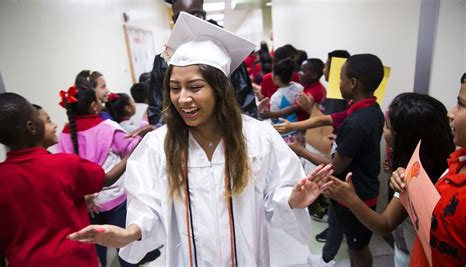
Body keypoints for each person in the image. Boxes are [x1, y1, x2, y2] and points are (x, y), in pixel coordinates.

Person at [68, 12, 334, 266]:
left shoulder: (258, 137)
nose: (183, 99)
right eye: (174, 88)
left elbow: (275, 193)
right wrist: (130, 233)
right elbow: (149, 208)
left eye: (195, 87)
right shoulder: (158, 146)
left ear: (220, 89)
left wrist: (293, 199)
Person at [0, 93, 127, 267]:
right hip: (74, 260)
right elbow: (106, 179)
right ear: (32, 127)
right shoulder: (65, 164)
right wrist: (130, 156)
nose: (54, 124)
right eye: (45, 120)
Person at [323, 93, 455, 267]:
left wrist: (350, 198)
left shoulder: (413, 176)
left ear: (402, 137)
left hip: (413, 257)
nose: (382, 130)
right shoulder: (440, 161)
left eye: (386, 126)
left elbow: (385, 224)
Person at [290, 54, 385, 266]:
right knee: (351, 240)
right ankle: (327, 257)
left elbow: (334, 166)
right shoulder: (372, 110)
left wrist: (299, 150)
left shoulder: (357, 122)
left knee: (357, 248)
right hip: (357, 191)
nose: (338, 83)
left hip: (357, 195)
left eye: (340, 78)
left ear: (353, 83)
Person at [56, 83, 145, 267]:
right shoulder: (107, 127)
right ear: (94, 106)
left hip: (87, 204)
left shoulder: (64, 134)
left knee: (97, 250)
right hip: (115, 200)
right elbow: (130, 147)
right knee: (125, 247)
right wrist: (143, 133)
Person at [390, 73, 466, 267]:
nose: (451, 113)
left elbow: (385, 223)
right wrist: (404, 179)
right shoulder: (455, 164)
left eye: (461, 104)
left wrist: (349, 197)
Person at [146, 0, 257, 125]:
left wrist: (248, 131)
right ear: (174, 19)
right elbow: (157, 108)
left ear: (204, 15)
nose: (190, 21)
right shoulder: (164, 60)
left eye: (196, 15)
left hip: (227, 130)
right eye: (181, 17)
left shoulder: (225, 53)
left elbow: (245, 101)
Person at [269, 58, 303, 138]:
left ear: (277, 78)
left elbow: (274, 119)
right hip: (299, 130)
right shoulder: (300, 87)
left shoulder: (276, 97)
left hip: (283, 135)